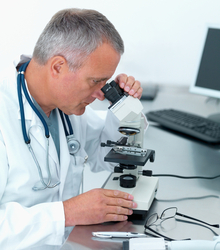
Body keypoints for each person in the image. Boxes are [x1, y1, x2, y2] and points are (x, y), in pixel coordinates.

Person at [0, 8, 145, 249]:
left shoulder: (66, 108)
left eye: (105, 82)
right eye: (95, 81)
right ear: (58, 67)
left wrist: (125, 105)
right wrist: (66, 213)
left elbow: (107, 157)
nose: (100, 94)